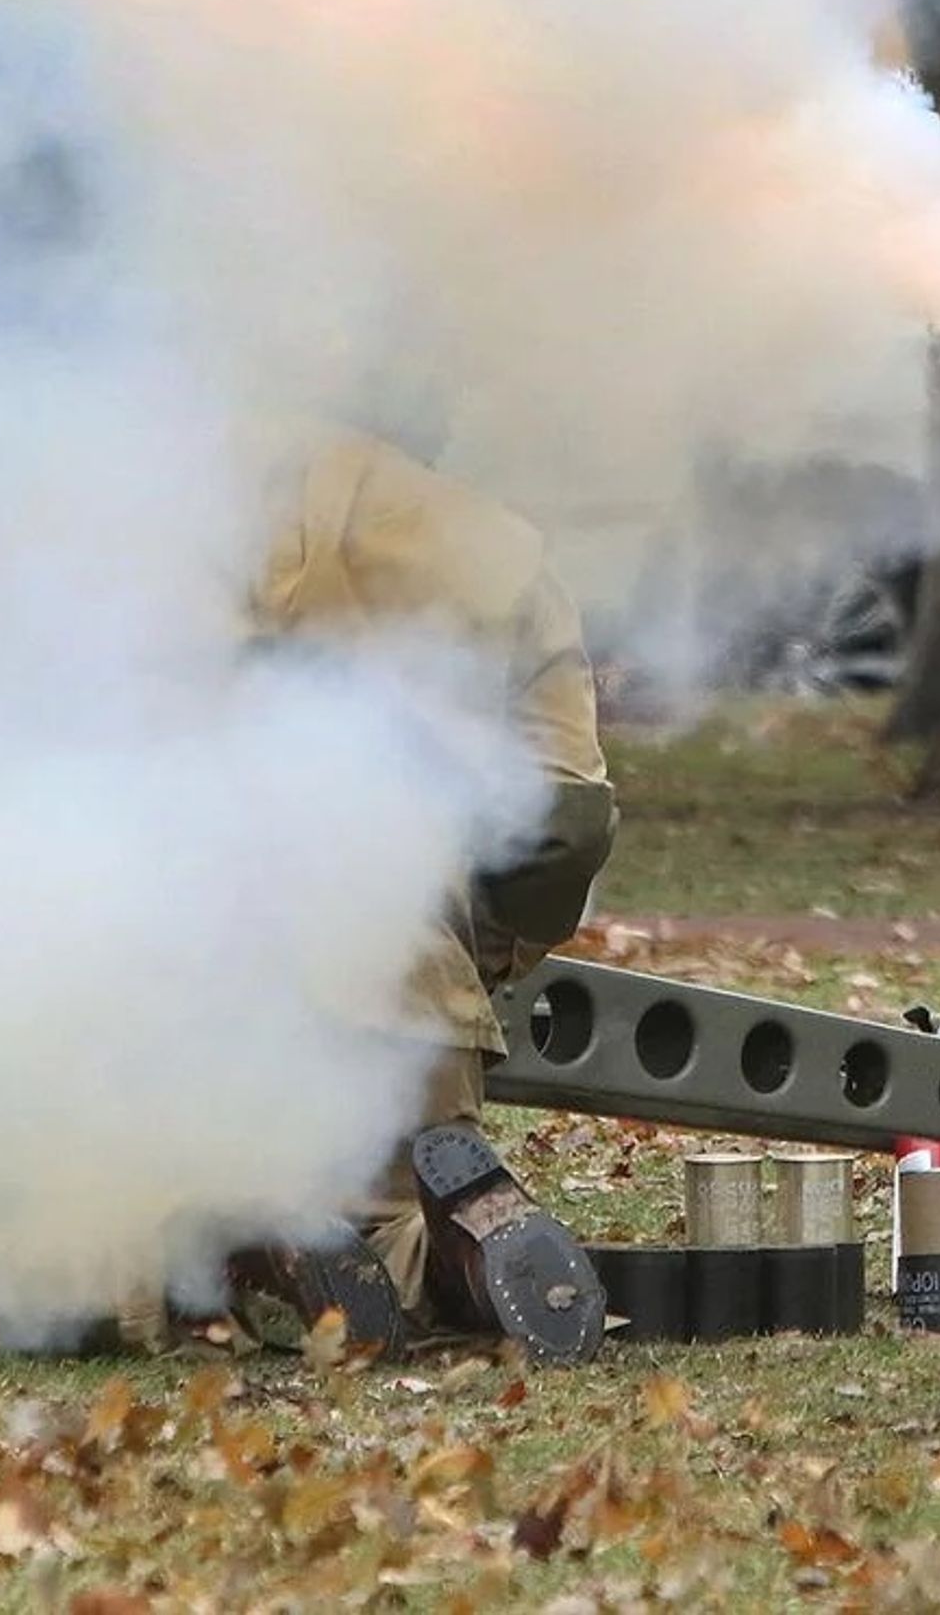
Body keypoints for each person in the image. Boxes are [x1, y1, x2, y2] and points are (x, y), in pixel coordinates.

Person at [187, 424, 621, 1356]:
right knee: (389, 1214)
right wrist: (480, 951)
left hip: (184, 979)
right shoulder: (500, 554)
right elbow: (568, 824)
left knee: (123, 1254)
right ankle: (462, 1245)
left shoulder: (181, 528)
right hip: (408, 973)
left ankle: (257, 1261)